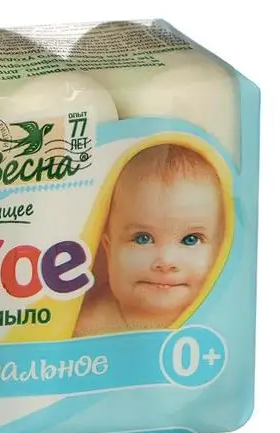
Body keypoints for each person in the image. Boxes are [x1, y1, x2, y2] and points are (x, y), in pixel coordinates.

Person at [75, 144, 224, 336]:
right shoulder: (88, 326)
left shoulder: (223, 317)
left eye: (191, 239)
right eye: (142, 238)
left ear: (220, 251)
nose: (166, 261)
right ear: (108, 249)